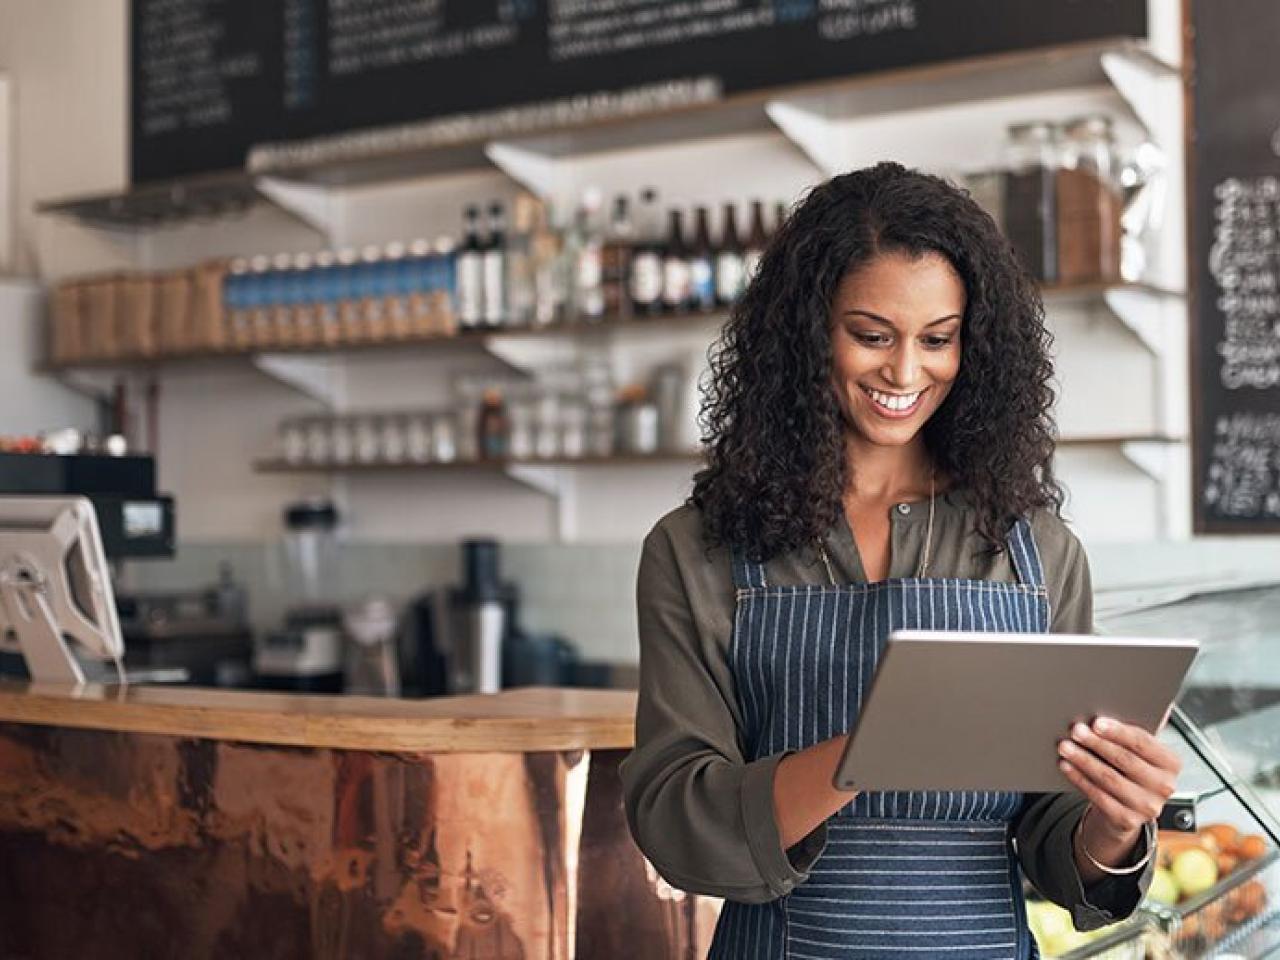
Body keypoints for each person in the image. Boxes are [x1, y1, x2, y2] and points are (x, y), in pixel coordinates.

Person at [620, 163, 1181, 959]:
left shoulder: (1037, 551)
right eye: (872, 334)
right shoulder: (697, 549)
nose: (906, 372)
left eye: (938, 339)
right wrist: (865, 751)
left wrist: (1116, 820)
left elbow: (1056, 843)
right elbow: (674, 816)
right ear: (807, 332)